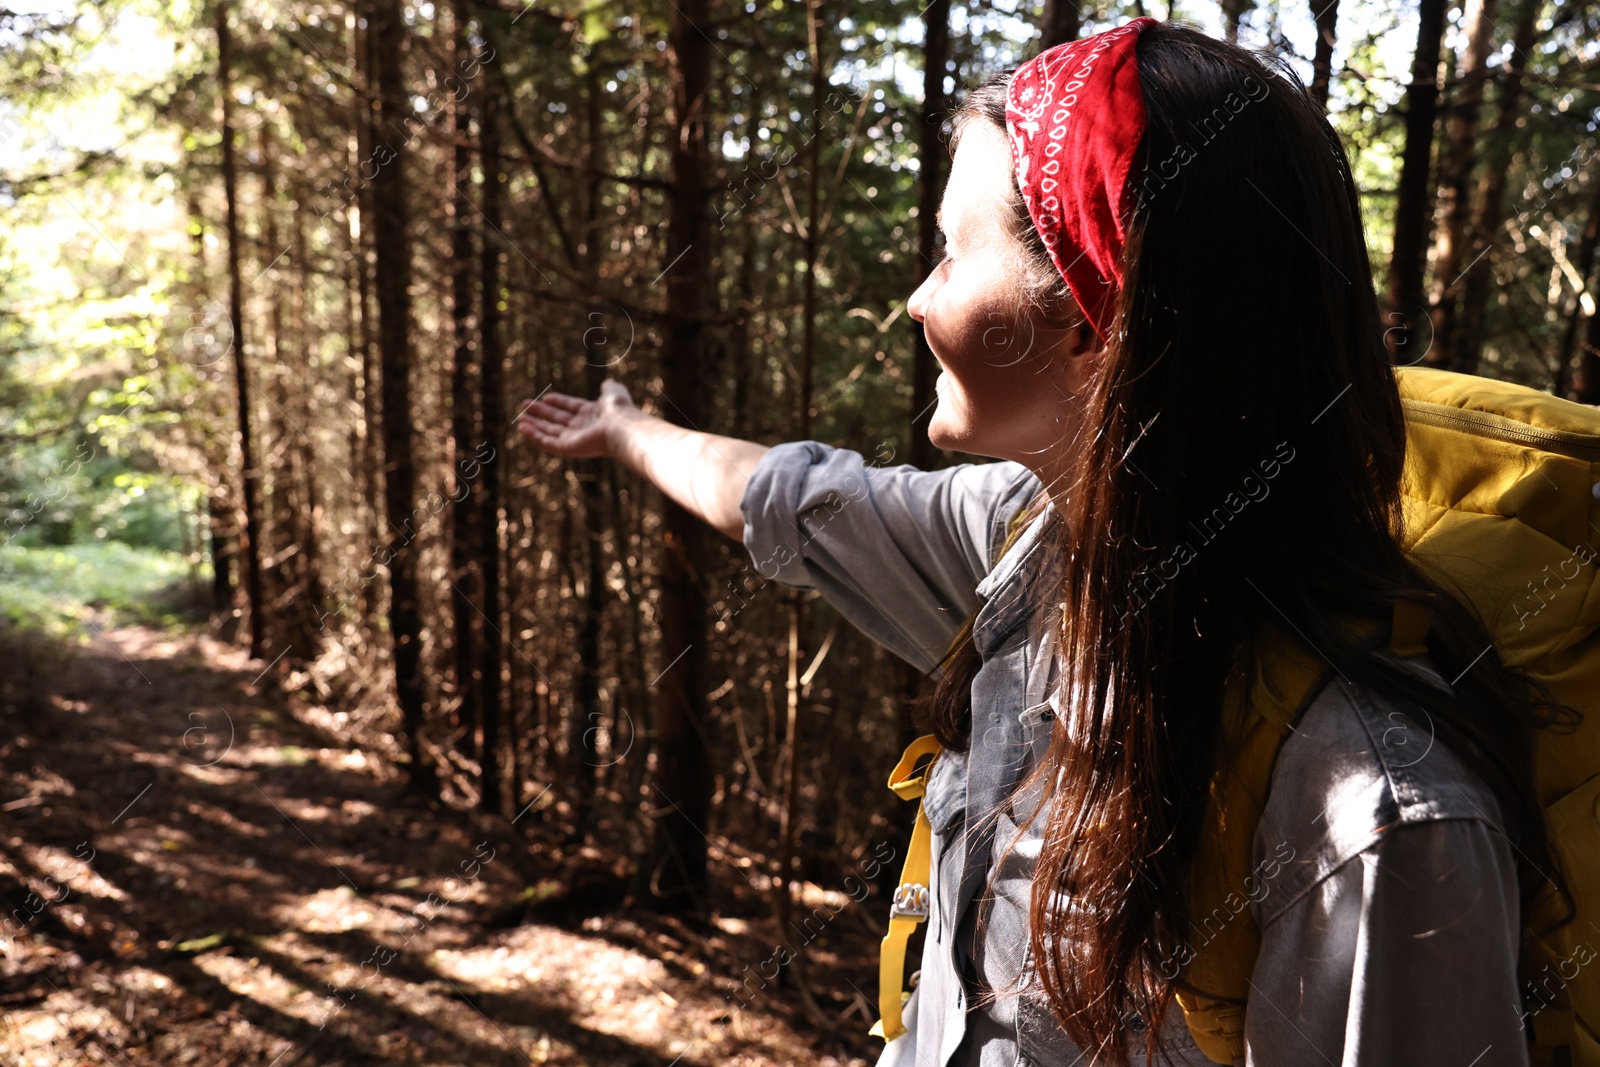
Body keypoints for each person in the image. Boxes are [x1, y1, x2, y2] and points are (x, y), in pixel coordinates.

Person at [516, 18, 1569, 1067]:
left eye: (948, 251)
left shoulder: (1369, 809)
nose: (915, 297)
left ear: (1088, 327)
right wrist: (628, 431)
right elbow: (797, 499)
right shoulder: (1029, 548)